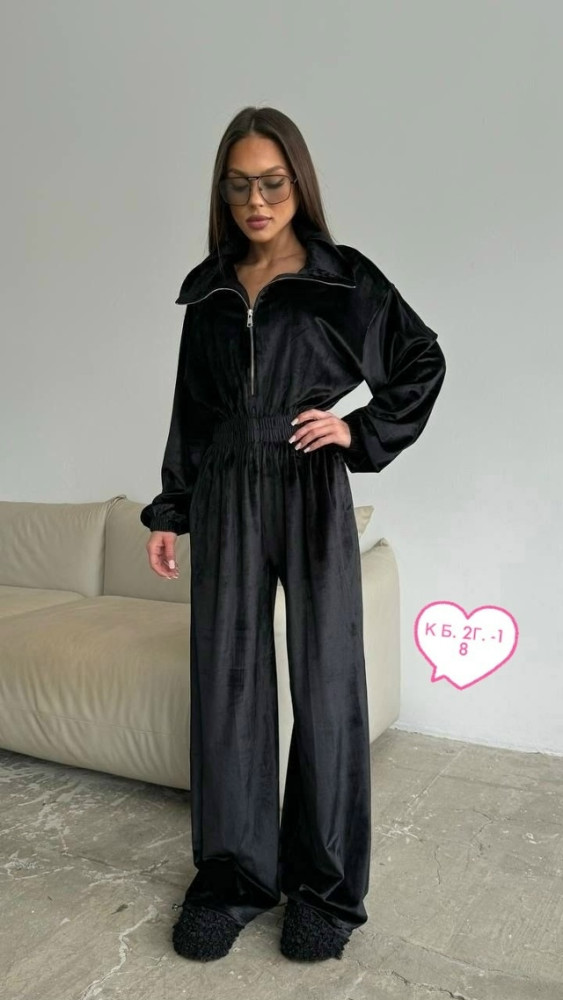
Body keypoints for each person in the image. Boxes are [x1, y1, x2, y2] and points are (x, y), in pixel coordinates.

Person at [140, 105, 446, 963]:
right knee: (227, 683)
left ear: (298, 183)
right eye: (238, 185)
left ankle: (325, 889)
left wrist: (357, 428)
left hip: (308, 482)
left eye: (271, 182)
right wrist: (172, 510)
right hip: (225, 489)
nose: (256, 201)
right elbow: (192, 412)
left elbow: (420, 360)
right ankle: (234, 877)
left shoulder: (342, 280)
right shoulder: (208, 292)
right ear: (222, 192)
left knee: (326, 681)